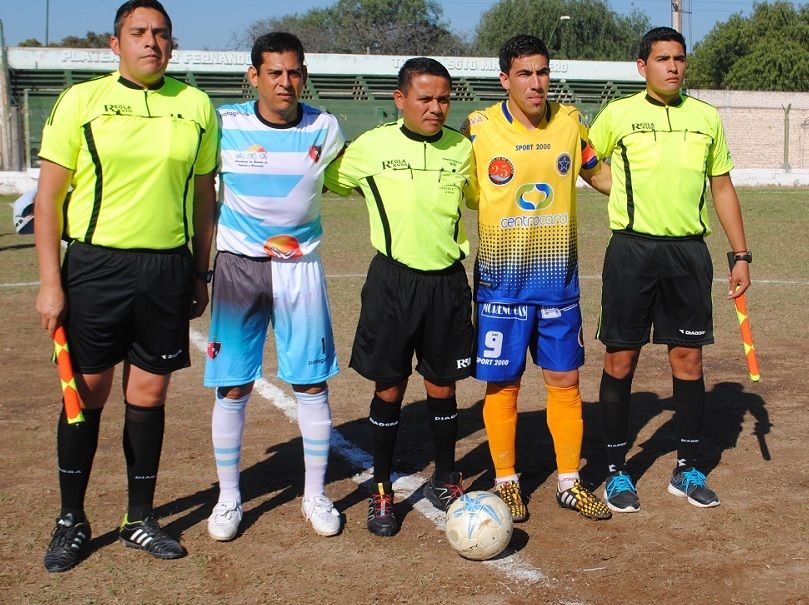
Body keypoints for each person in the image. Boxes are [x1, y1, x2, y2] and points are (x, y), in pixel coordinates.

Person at [35, 0, 218, 572]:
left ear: (172, 43)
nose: (151, 42)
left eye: (161, 33)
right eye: (138, 32)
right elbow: (48, 200)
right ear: (115, 44)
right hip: (96, 267)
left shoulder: (195, 106)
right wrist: (50, 284)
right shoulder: (81, 101)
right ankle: (71, 519)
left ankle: (139, 518)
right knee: (86, 393)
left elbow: (203, 198)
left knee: (148, 396)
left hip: (167, 271)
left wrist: (200, 271)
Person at [588, 26, 751, 512]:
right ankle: (616, 471)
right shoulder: (618, 114)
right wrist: (618, 191)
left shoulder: (706, 117)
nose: (673, 67)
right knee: (621, 360)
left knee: (689, 360)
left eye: (679, 58)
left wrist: (740, 255)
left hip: (688, 254)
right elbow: (586, 160)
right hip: (632, 251)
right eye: (663, 59)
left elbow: (721, 186)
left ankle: (687, 468)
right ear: (642, 67)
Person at [462, 34, 612, 523]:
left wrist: (653, 186)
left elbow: (600, 175)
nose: (536, 82)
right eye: (525, 73)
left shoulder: (570, 123)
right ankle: (507, 482)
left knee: (565, 380)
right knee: (503, 385)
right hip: (501, 284)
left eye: (543, 72)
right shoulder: (478, 128)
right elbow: (456, 188)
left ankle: (570, 481)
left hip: (557, 284)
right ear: (504, 79)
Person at [325, 57, 475, 537]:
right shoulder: (370, 147)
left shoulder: (462, 150)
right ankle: (382, 490)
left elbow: (481, 197)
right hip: (393, 284)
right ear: (400, 99)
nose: (436, 108)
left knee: (443, 386)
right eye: (425, 98)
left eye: (443, 99)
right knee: (389, 387)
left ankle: (445, 478)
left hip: (447, 283)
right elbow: (323, 179)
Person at [203, 32, 344, 541]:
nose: (285, 82)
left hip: (299, 268)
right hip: (238, 267)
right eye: (275, 72)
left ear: (304, 75)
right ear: (254, 76)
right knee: (232, 384)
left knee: (310, 382)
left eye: (294, 72)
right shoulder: (224, 123)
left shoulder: (326, 127)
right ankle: (228, 498)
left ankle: (315, 494)